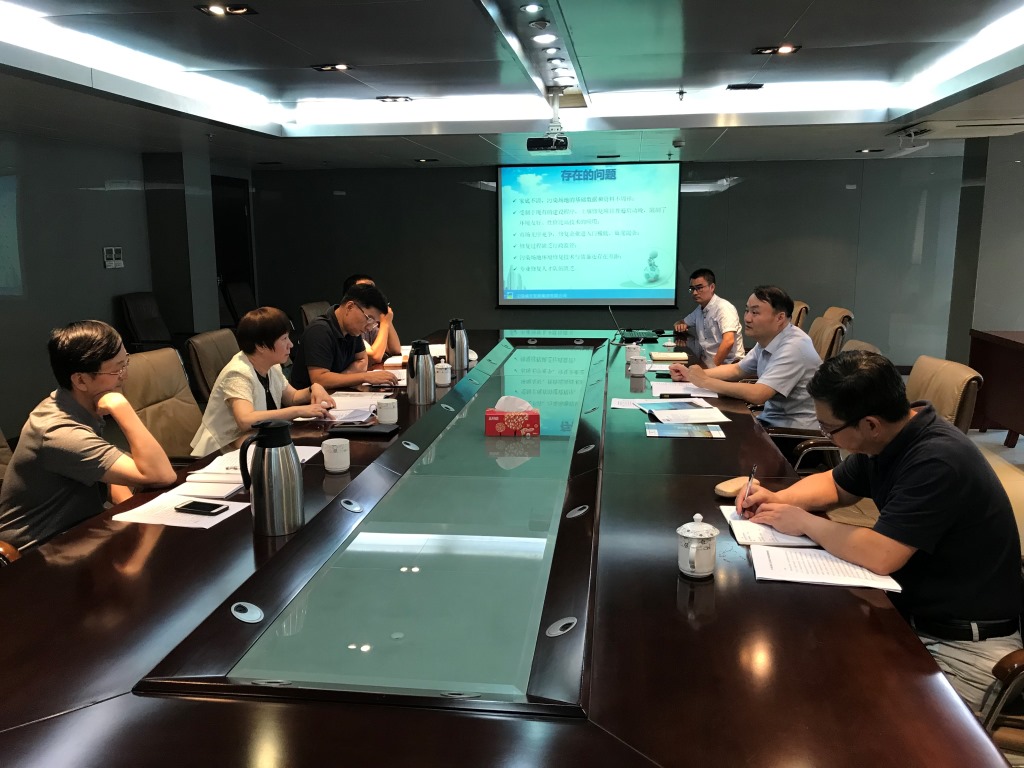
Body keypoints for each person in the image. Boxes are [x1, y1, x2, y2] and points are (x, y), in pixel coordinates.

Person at [738, 350, 1021, 712]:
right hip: (909, 614)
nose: (825, 435)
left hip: (963, 644)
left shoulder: (937, 460)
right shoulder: (892, 435)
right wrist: (776, 499)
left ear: (870, 424)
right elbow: (836, 485)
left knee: (855, 715)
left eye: (828, 428)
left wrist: (804, 521)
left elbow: (882, 554)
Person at [0, 320, 176, 550]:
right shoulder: (60, 433)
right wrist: (122, 408)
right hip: (39, 550)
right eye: (116, 369)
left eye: (126, 362)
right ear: (81, 380)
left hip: (81, 530)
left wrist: (138, 517)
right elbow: (161, 474)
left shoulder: (71, 404)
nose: (124, 375)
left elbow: (103, 470)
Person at [191, 307, 338, 456]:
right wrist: (299, 411)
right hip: (221, 454)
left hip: (253, 443)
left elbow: (292, 397)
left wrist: (313, 389)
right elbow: (245, 420)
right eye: (284, 339)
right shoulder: (238, 373)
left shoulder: (271, 366)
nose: (290, 344)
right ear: (261, 346)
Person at [669, 285, 819, 429]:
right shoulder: (769, 338)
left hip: (792, 435)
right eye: (747, 310)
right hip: (770, 422)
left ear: (780, 318)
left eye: (755, 313)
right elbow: (737, 370)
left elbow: (759, 394)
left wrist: (705, 381)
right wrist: (690, 375)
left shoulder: (794, 347)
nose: (747, 318)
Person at [290, 282, 398, 390]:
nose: (369, 328)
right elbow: (319, 380)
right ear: (350, 307)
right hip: (310, 399)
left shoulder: (352, 330)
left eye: (374, 323)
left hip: (336, 394)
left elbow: (362, 361)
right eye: (369, 319)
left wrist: (337, 379)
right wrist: (365, 377)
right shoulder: (319, 330)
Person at [672, 268, 745, 367]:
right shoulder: (699, 309)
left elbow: (728, 341)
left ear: (712, 287)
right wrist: (679, 324)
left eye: (699, 288)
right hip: (707, 363)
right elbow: (681, 322)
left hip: (728, 365)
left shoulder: (723, 308)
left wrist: (711, 370)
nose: (694, 293)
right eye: (692, 289)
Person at [342, 273, 401, 365]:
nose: (370, 294)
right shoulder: (352, 326)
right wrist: (385, 323)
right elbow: (374, 357)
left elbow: (395, 350)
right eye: (364, 289)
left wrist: (387, 319)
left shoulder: (368, 323)